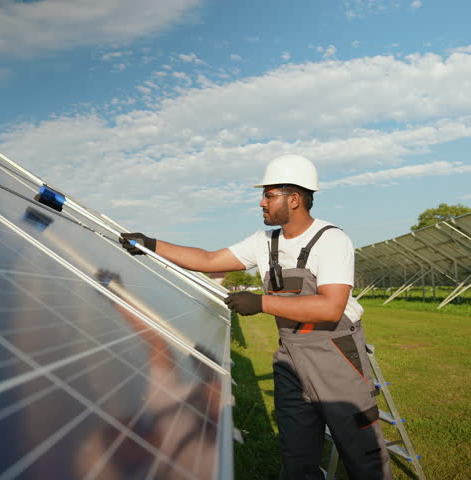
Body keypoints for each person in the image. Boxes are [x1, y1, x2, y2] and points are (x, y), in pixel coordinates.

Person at [120, 154, 393, 480]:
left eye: (269, 194)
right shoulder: (265, 241)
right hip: (290, 358)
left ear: (293, 199)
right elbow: (210, 259)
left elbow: (330, 307)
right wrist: (151, 244)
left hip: (335, 354)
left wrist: (261, 303)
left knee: (363, 456)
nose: (261, 202)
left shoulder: (332, 240)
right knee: (297, 459)